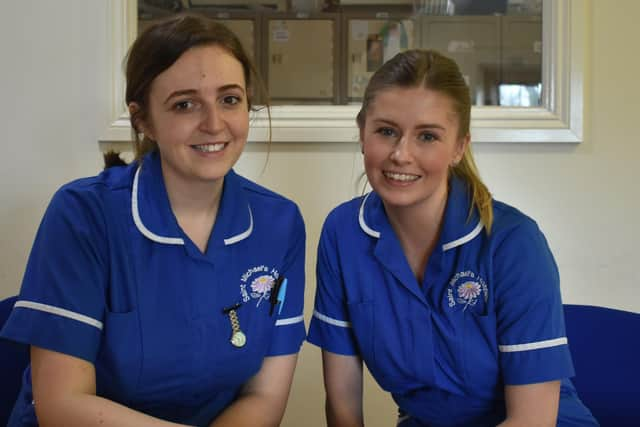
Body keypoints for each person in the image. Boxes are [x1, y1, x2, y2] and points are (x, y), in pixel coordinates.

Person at [0, 14, 306, 427]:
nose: (214, 123)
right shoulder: (83, 216)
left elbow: (264, 395)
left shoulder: (279, 223)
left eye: (230, 99)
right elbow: (62, 404)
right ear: (142, 119)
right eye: (185, 104)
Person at [307, 49, 598, 426]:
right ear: (362, 132)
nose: (401, 154)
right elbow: (343, 403)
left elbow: (532, 420)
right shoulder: (342, 233)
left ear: (459, 147)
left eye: (427, 136)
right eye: (386, 131)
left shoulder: (514, 243)